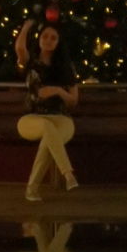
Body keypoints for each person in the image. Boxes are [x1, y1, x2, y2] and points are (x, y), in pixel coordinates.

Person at [15, 18, 79, 201]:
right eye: (45, 36)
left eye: (53, 38)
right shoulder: (31, 63)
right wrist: (26, 27)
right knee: (45, 126)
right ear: (39, 38)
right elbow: (20, 49)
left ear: (59, 42)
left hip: (61, 120)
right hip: (32, 118)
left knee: (49, 136)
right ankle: (68, 174)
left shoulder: (66, 68)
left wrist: (58, 91)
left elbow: (73, 101)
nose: (48, 40)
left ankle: (32, 191)